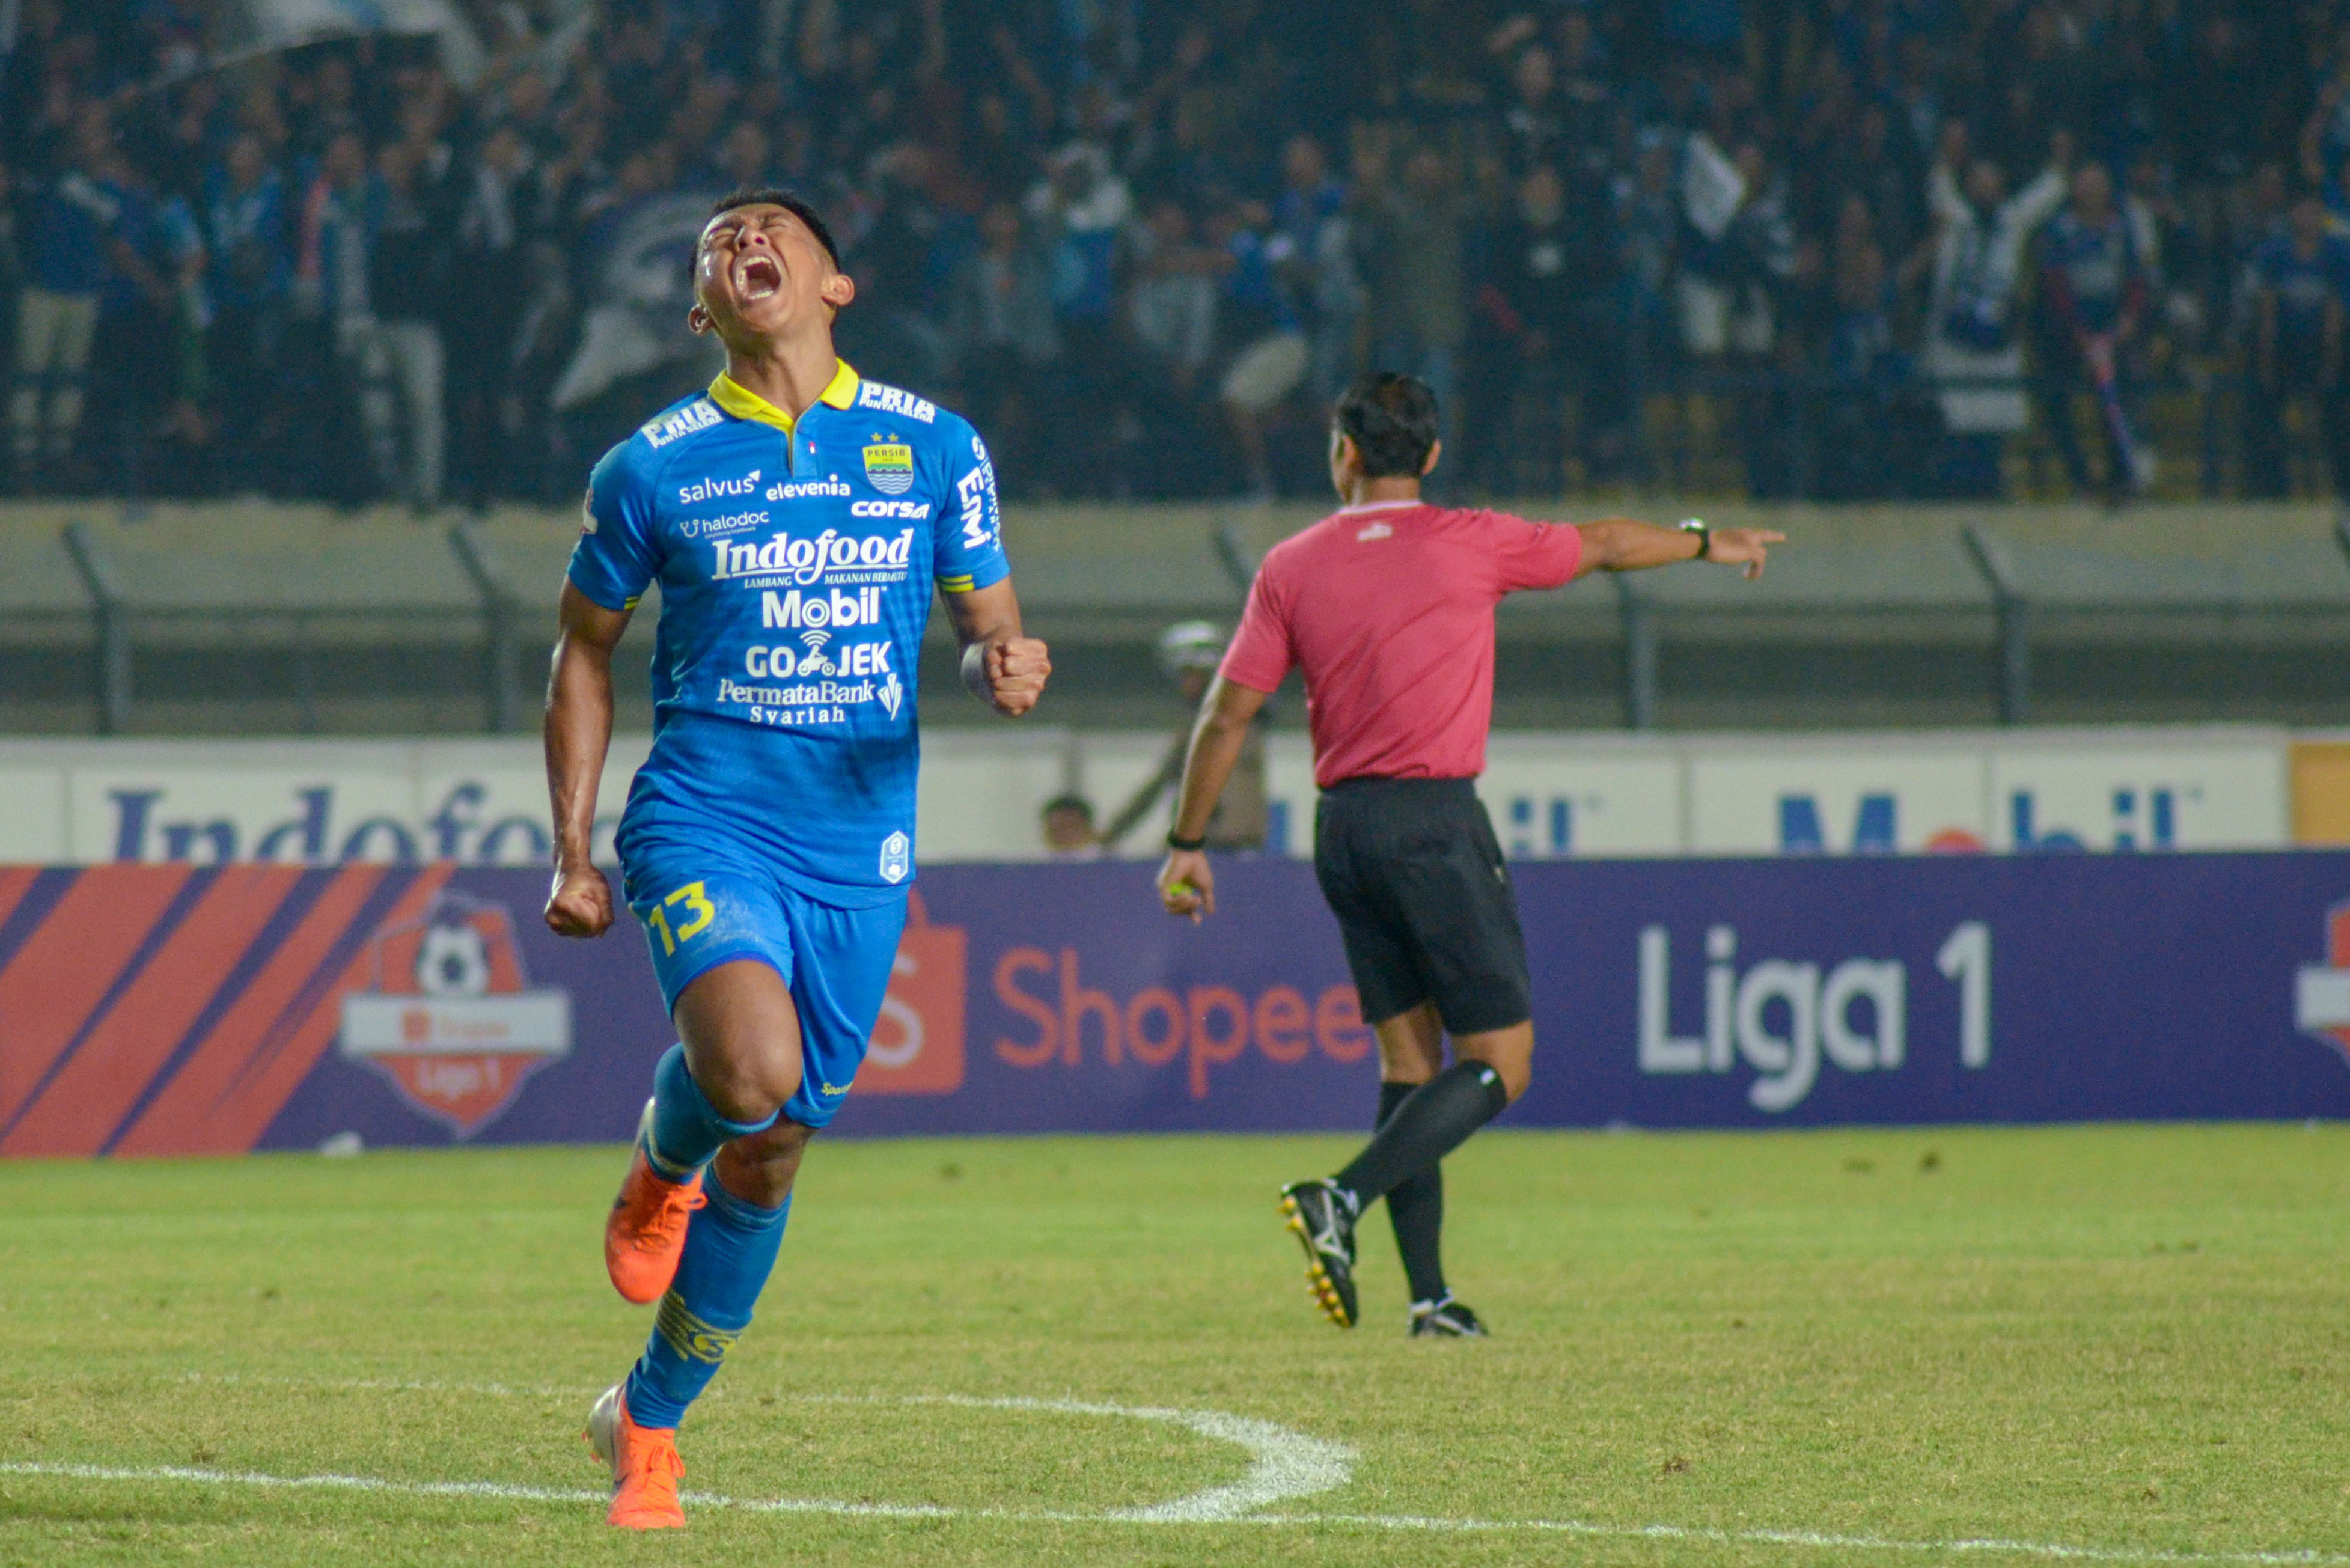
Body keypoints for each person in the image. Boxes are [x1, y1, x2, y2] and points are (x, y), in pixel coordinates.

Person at [542, 185, 1050, 1530]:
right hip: (704, 812)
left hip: (858, 841)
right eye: (716, 242)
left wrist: (1002, 656)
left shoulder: (934, 446)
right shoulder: (649, 465)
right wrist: (572, 847)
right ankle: (659, 1168)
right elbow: (583, 648)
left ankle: (642, 1420)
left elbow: (983, 616)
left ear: (836, 281)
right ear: (698, 304)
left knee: (772, 1150)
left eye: (768, 228)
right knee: (749, 1068)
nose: (739, 242)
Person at [1153, 373, 1781, 1337]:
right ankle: (1340, 1199)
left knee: (1411, 1063)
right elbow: (1609, 543)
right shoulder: (1470, 539)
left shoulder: (1289, 564)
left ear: (1345, 455)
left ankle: (1429, 1297)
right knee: (1504, 1063)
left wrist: (1187, 843)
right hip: (1433, 824)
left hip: (1344, 829)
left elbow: (1226, 712)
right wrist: (1705, 539)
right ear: (1431, 457)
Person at [1102, 621, 1266, 853]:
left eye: (1193, 676)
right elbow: (1158, 784)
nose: (1185, 684)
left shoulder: (1238, 723)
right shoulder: (1195, 728)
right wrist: (1108, 836)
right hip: (1209, 844)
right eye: (1183, 676)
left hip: (1229, 846)